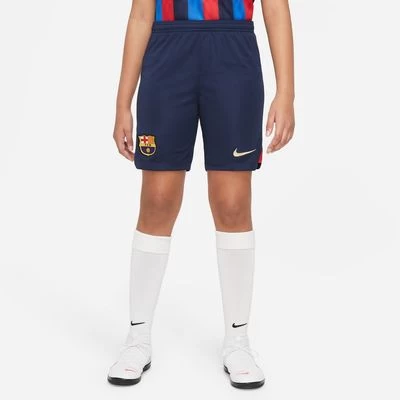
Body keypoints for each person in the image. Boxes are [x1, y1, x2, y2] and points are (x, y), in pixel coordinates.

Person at [107, 0, 295, 389]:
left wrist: (286, 93)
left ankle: (237, 341)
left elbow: (276, 8)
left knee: (232, 203)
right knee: (158, 200)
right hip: (167, 54)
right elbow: (141, 15)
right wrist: (123, 102)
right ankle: (138, 337)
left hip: (233, 54)